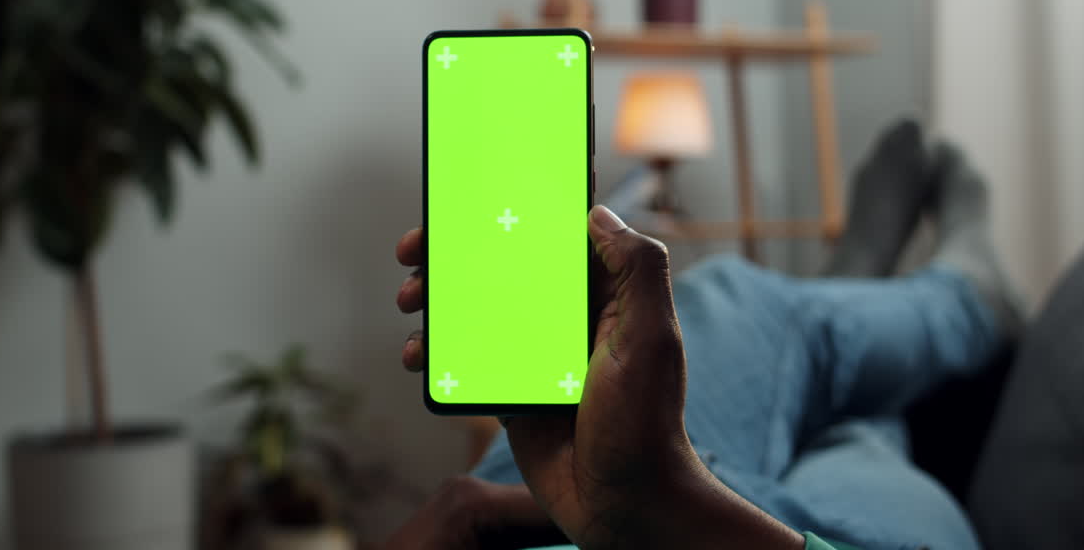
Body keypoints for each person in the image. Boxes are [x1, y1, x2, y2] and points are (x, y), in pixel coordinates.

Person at [386, 121, 1021, 550]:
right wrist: (662, 506)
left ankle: (854, 286)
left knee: (726, 306)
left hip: (531, 499)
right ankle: (963, 299)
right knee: (852, 424)